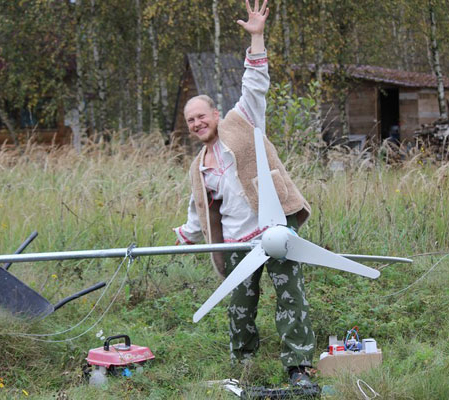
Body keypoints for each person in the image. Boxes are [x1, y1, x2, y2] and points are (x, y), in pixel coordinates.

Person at [173, 0, 315, 386]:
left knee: (291, 297)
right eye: (190, 120)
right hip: (236, 242)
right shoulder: (199, 165)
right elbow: (200, 209)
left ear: (216, 114)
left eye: (201, 115)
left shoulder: (243, 121)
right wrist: (187, 235)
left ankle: (299, 367)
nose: (197, 123)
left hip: (273, 229)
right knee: (240, 306)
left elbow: (255, 83)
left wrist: (257, 37)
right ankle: (244, 365)